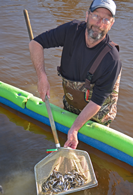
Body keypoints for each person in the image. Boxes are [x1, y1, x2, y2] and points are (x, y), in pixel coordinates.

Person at [29, 0, 122, 149]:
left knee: (92, 152)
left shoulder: (112, 59)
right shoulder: (71, 31)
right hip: (72, 104)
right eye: (96, 16)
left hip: (97, 115)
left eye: (106, 19)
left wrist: (75, 128)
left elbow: (97, 101)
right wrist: (42, 77)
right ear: (87, 15)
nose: (99, 24)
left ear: (111, 24)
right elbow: (35, 44)